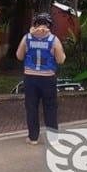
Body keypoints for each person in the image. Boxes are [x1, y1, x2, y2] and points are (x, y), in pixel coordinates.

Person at [16, 12, 66, 145]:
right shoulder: (53, 40)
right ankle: (53, 138)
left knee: (31, 107)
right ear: (49, 25)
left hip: (30, 78)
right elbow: (60, 60)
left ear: (35, 24)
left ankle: (33, 138)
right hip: (48, 79)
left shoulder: (26, 38)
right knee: (50, 107)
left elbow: (19, 56)